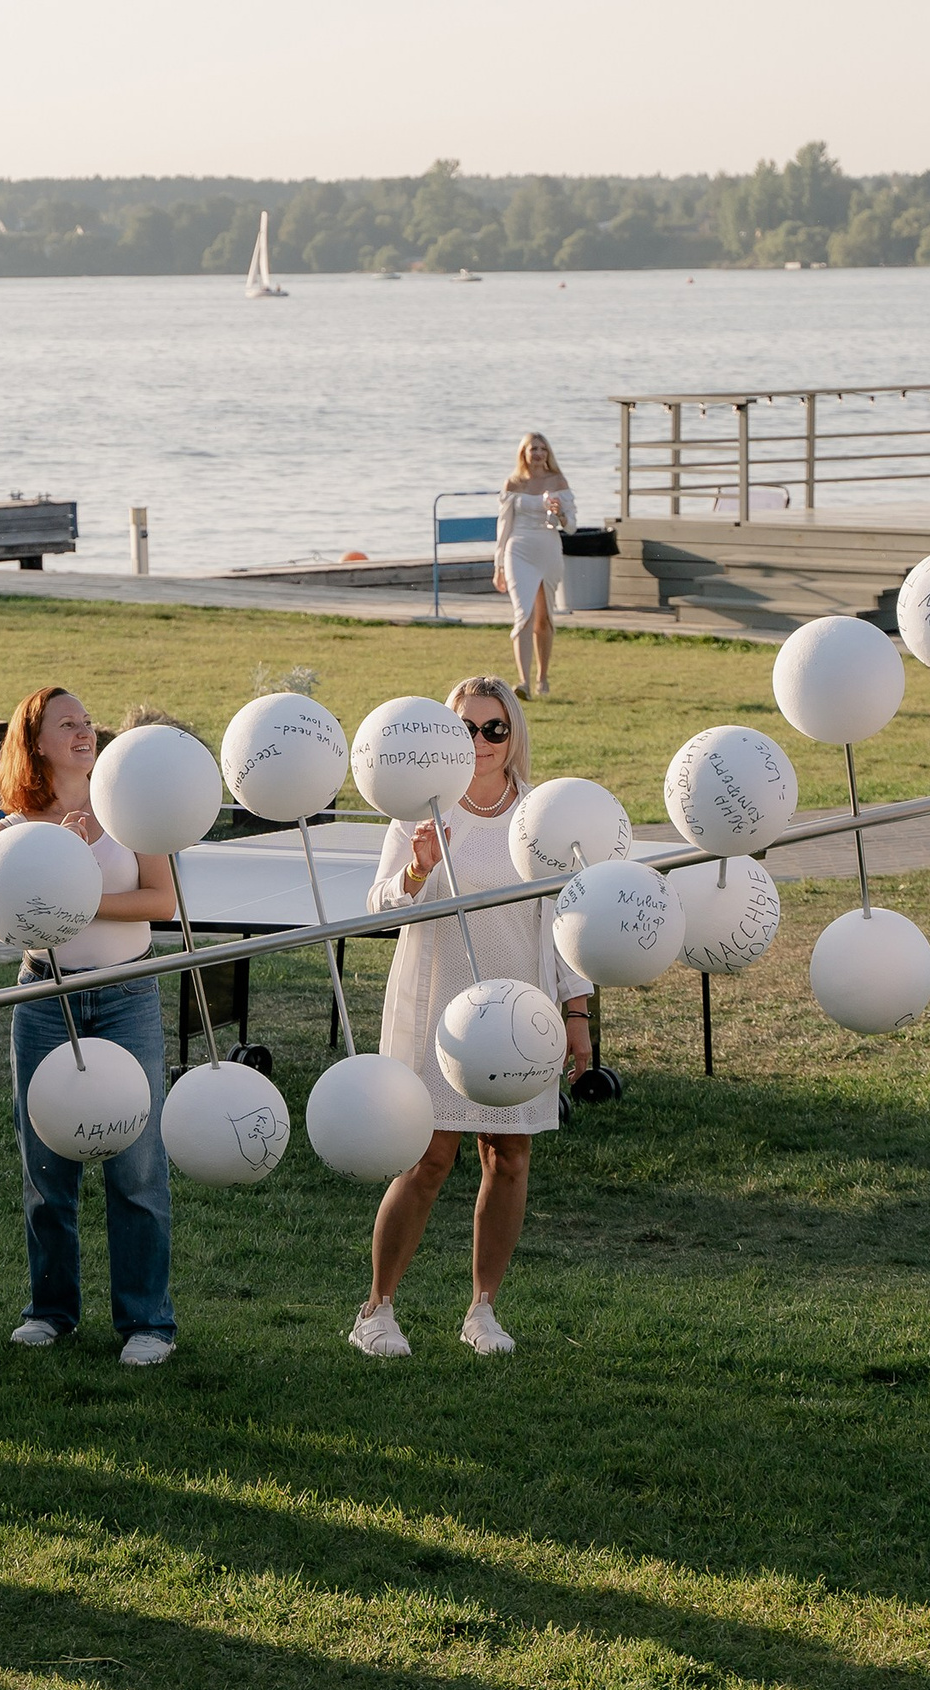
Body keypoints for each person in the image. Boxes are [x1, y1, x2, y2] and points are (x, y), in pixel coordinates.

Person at [350, 675, 593, 1360]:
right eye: (465, 728)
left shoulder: (541, 816)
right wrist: (417, 871)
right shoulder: (420, 809)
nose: (481, 742)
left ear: (513, 736)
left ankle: (483, 1309)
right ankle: (377, 1309)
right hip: (437, 1004)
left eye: (495, 728)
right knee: (427, 1155)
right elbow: (380, 907)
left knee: (508, 1156)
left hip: (521, 1007)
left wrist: (576, 1009)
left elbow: (567, 918)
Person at [0, 687, 181, 1367]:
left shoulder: (129, 813)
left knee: (137, 1161)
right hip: (46, 997)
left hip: (126, 994)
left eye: (85, 722)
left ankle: (147, 1320)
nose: (83, 732)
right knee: (47, 1159)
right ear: (35, 741)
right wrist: (59, 871)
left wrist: (77, 888)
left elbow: (160, 900)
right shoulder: (14, 830)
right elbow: (14, 917)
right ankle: (50, 1310)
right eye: (64, 724)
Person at [493, 433, 574, 700]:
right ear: (523, 453)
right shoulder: (513, 483)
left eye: (542, 448)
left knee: (543, 617)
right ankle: (523, 681)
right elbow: (503, 527)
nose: (538, 453)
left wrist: (559, 511)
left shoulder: (558, 482)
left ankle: (543, 677)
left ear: (548, 453)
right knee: (523, 614)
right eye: (532, 449)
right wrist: (498, 565)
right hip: (518, 550)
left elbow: (570, 526)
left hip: (548, 548)